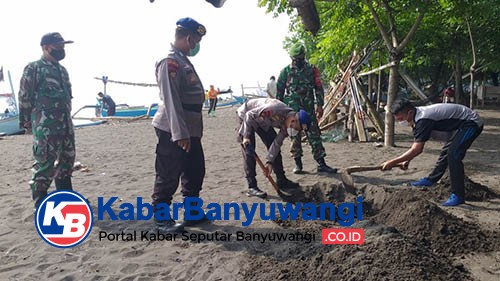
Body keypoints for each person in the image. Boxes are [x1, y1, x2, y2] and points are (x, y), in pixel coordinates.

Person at [151, 17, 207, 233]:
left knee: (194, 171)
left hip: (190, 127)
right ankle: (161, 219)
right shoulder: (169, 61)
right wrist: (179, 133)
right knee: (168, 173)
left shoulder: (182, 59)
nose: (196, 45)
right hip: (173, 127)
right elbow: (171, 99)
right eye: (195, 40)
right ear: (187, 37)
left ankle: (192, 213)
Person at [381, 98, 483, 206]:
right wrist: (406, 161)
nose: (400, 122)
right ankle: (431, 180)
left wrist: (392, 162)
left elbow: (417, 149)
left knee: (453, 155)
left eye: (401, 119)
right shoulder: (416, 118)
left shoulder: (423, 119)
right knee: (447, 152)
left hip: (471, 122)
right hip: (457, 127)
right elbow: (416, 144)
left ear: (409, 112)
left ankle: (458, 195)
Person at [18, 32, 76, 209]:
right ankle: (40, 203)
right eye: (57, 46)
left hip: (65, 125)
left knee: (67, 162)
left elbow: (67, 98)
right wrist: (26, 122)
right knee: (45, 164)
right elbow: (24, 96)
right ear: (45, 47)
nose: (61, 49)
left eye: (63, 46)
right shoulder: (33, 68)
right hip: (45, 127)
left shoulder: (62, 70)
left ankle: (66, 199)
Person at [276, 42, 337, 174]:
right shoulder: (285, 72)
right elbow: (279, 92)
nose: (299, 61)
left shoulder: (312, 69)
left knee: (314, 135)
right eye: (296, 59)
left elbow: (318, 87)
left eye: (301, 58)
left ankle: (321, 163)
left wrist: (320, 105)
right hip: (291, 111)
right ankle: (298, 164)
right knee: (294, 136)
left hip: (308, 109)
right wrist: (279, 112)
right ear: (292, 58)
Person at [237, 98, 304, 198]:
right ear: (294, 120)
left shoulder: (287, 125)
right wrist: (246, 136)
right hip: (246, 115)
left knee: (272, 143)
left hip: (263, 121)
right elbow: (249, 115)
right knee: (249, 150)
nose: (293, 129)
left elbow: (276, 144)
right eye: (296, 127)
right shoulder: (275, 108)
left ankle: (281, 180)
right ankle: (252, 186)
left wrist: (269, 162)